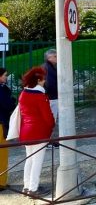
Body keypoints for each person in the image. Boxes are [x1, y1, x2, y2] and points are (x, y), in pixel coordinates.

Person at [19, 67, 55, 196]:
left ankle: (26, 186)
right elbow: (48, 116)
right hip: (39, 132)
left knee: (29, 159)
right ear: (38, 80)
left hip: (26, 131)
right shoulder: (40, 95)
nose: (45, 81)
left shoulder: (23, 94)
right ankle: (33, 189)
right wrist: (52, 125)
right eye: (43, 79)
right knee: (37, 161)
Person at [0, 68, 16, 190]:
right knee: (2, 153)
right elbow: (7, 105)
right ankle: (1, 182)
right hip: (1, 123)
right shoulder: (1, 89)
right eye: (5, 75)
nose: (6, 77)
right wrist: (13, 101)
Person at [42, 49, 58, 123]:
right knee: (51, 120)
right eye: (55, 56)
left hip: (49, 97)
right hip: (52, 97)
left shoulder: (48, 67)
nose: (57, 57)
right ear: (49, 58)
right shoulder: (48, 68)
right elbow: (50, 84)